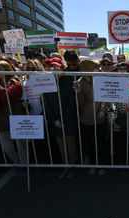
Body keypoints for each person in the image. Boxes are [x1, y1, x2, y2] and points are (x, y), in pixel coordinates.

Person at [43, 50, 79, 178]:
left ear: (62, 68)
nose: (54, 69)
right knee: (61, 147)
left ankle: (72, 167)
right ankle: (65, 166)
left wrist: (62, 119)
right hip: (55, 123)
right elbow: (46, 104)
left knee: (71, 146)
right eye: (52, 67)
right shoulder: (46, 84)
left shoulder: (69, 82)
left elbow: (72, 104)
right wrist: (54, 120)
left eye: (57, 67)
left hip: (67, 121)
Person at [0, 60, 27, 165]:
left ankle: (25, 165)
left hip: (15, 115)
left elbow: (6, 98)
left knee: (21, 145)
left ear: (7, 69)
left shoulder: (16, 83)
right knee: (6, 146)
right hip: (1, 117)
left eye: (0, 69)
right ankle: (17, 163)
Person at [74, 59, 108, 175]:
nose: (98, 70)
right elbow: (80, 105)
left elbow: (105, 97)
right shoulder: (80, 82)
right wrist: (79, 93)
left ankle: (102, 166)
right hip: (86, 119)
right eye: (95, 68)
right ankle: (93, 164)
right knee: (90, 143)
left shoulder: (100, 79)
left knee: (101, 143)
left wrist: (103, 110)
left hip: (100, 118)